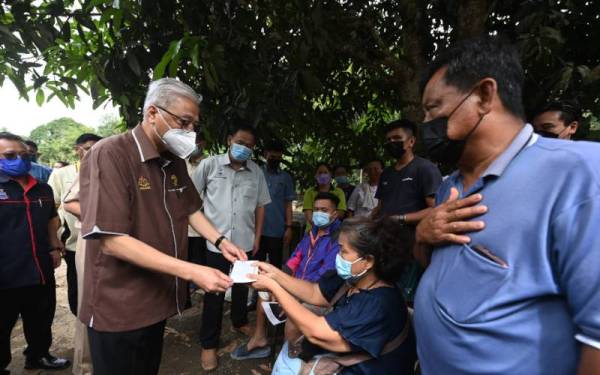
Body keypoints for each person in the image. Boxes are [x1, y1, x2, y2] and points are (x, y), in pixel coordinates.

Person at [413, 36, 600, 374]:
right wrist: (423, 236)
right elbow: (438, 267)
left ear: (484, 95)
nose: (427, 124)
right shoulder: (449, 188)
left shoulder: (580, 173)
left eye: (434, 108)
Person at [78, 78, 247, 375]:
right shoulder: (112, 154)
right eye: (184, 121)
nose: (190, 132)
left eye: (194, 125)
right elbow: (112, 240)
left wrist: (220, 241)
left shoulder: (174, 160)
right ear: (153, 113)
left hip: (156, 299)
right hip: (119, 302)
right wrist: (193, 271)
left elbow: (191, 208)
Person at [250, 216, 417, 374]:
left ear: (368, 261)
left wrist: (273, 287)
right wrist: (274, 274)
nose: (338, 256)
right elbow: (315, 293)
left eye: (343, 251)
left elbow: (315, 331)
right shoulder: (355, 277)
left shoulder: (378, 304)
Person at [191, 123, 271, 371]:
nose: (244, 148)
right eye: (240, 142)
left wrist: (257, 237)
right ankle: (209, 345)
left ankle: (239, 320)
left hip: (245, 243)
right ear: (229, 140)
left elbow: (260, 206)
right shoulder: (209, 165)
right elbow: (191, 201)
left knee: (241, 290)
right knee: (214, 294)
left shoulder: (256, 171)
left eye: (249, 145)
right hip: (216, 245)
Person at [232, 192, 340, 360]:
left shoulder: (338, 239)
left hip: (316, 292)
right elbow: (295, 259)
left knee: (292, 325)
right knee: (264, 294)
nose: (319, 213)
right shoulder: (311, 232)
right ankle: (260, 338)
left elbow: (324, 275)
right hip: (295, 284)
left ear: (335, 213)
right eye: (316, 209)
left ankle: (293, 358)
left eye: (324, 210)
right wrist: (281, 281)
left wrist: (291, 293)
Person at [0, 132, 70, 373]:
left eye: (24, 155)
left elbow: (52, 219)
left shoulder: (42, 189)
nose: (18, 160)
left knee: (40, 318)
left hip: (39, 268)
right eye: (9, 155)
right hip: (5, 273)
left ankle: (38, 356)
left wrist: (54, 246)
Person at [48, 133, 102, 316]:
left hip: (102, 240)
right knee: (77, 284)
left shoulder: (106, 170)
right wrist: (55, 239)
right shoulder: (62, 174)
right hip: (73, 242)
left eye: (97, 147)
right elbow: (52, 208)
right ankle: (80, 318)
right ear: (77, 150)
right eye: (88, 148)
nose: (93, 152)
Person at [371, 119, 442, 224]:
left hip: (415, 236)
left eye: (397, 138)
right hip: (385, 235)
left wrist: (401, 218)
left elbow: (436, 208)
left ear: (411, 141)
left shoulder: (426, 168)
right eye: (388, 139)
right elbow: (380, 206)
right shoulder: (386, 173)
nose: (392, 142)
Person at [303, 162, 347, 231]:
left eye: (325, 172)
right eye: (320, 173)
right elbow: (308, 215)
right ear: (315, 175)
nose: (322, 175)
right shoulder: (309, 192)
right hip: (311, 231)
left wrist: (325, 224)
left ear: (330, 175)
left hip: (332, 231)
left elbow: (340, 213)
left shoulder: (339, 192)